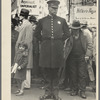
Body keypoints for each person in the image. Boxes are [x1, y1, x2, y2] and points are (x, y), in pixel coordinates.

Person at [34, 0, 70, 100]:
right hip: (46, 50)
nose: (55, 10)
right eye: (53, 8)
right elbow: (36, 34)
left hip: (57, 50)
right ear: (48, 8)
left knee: (56, 72)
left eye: (56, 8)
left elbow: (67, 34)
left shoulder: (62, 20)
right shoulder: (42, 21)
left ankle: (55, 93)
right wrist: (45, 41)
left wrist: (59, 41)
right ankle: (47, 93)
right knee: (46, 72)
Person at [64, 20, 93, 99]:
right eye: (73, 29)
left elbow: (90, 45)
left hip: (82, 57)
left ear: (79, 29)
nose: (75, 30)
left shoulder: (85, 34)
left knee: (82, 74)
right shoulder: (70, 35)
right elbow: (66, 45)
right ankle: (74, 89)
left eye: (76, 29)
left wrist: (87, 55)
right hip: (72, 57)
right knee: (73, 74)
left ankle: (82, 90)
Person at [15, 9, 33, 88]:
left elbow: (28, 39)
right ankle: (23, 84)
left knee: (25, 65)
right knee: (22, 65)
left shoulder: (27, 25)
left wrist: (25, 50)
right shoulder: (25, 24)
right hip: (22, 48)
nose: (19, 16)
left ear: (23, 16)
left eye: (20, 15)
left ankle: (26, 84)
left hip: (24, 48)